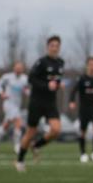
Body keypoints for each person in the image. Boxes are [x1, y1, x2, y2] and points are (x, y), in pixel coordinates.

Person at [16, 36, 65, 172]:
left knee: (56, 130)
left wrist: (59, 85)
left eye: (57, 46)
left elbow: (56, 80)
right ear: (48, 47)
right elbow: (31, 79)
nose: (55, 48)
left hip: (50, 103)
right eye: (52, 45)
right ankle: (20, 160)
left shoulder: (61, 62)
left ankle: (36, 145)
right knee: (31, 131)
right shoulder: (41, 62)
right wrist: (46, 85)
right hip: (37, 102)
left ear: (59, 47)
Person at [69, 56, 93, 162]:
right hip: (84, 109)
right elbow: (74, 90)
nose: (92, 66)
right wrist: (72, 101)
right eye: (90, 64)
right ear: (87, 65)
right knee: (83, 132)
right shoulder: (82, 78)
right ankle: (83, 154)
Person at [0, 61, 29, 155]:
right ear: (14, 68)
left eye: (20, 68)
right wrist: (2, 93)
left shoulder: (25, 78)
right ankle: (17, 145)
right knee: (18, 122)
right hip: (8, 104)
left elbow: (27, 89)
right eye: (17, 67)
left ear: (23, 69)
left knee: (6, 124)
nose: (19, 69)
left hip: (17, 105)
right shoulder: (7, 77)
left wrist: (27, 92)